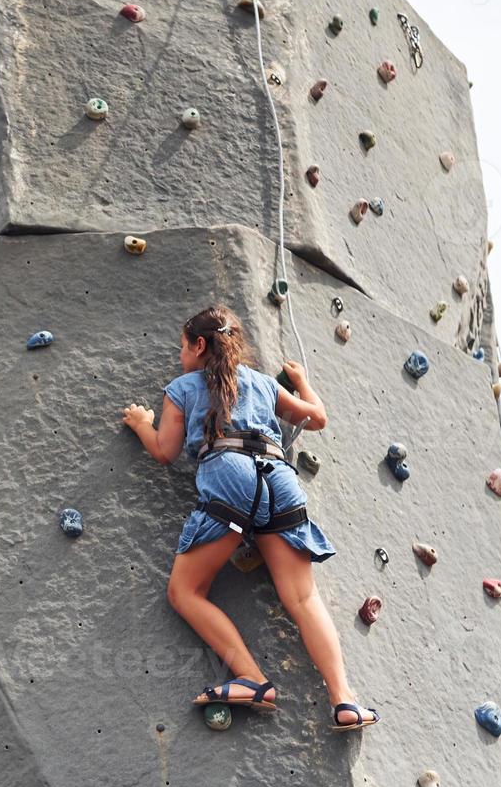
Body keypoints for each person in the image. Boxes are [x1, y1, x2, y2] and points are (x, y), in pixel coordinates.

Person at [120, 304, 379, 731]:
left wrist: (141, 423)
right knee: (303, 598)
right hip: (279, 478)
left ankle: (253, 679)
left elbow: (164, 452)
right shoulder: (262, 384)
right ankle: (344, 700)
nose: (181, 355)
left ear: (200, 346)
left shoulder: (183, 387)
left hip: (230, 481)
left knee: (185, 592)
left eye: (183, 347)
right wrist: (303, 383)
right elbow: (317, 418)